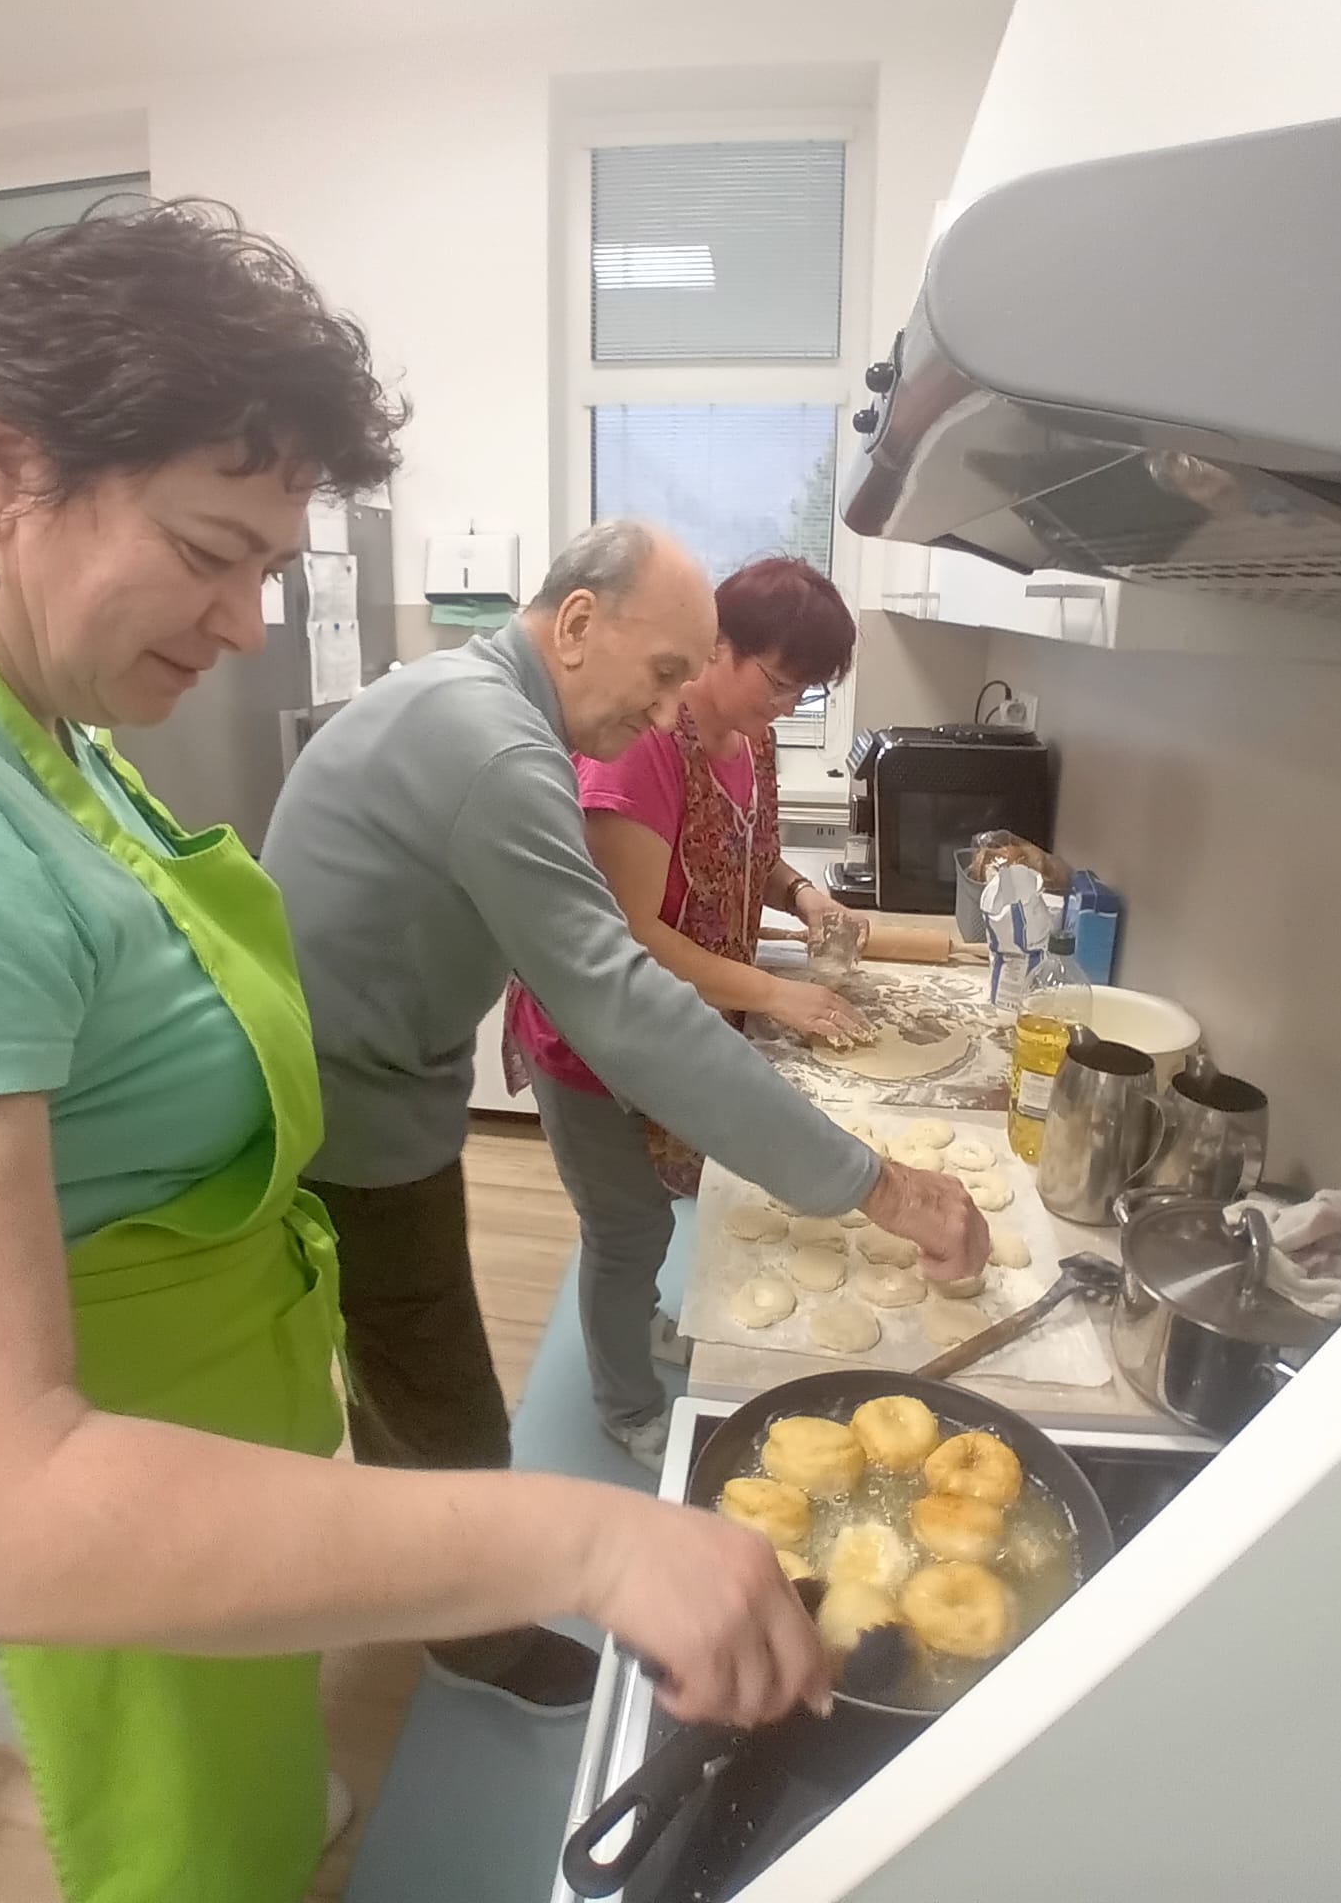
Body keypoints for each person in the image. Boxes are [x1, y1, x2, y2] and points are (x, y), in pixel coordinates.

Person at [0, 204, 841, 1903]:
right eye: (211, 550)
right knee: (170, 1833)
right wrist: (584, 1537)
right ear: (1, 463)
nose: (245, 623)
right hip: (129, 1465)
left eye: (269, 568)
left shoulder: (39, 707)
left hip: (219, 1396)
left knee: (245, 1760)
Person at [262, 524, 989, 1498]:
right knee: (443, 1419)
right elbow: (623, 998)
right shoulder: (497, 748)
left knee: (412, 1380)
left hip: (380, 1092)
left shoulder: (475, 702)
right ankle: (474, 1591)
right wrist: (881, 1187)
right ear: (575, 623)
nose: (666, 711)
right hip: (352, 1117)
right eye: (662, 673)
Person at [509, 554, 874, 1464]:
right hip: (592, 1040)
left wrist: (804, 896)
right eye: (777, 682)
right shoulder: (643, 753)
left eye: (804, 692)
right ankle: (625, 1405)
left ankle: (642, 1319)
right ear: (717, 647)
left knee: (653, 1214)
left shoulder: (751, 739)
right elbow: (631, 935)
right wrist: (779, 994)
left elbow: (750, 852)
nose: (786, 705)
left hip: (682, 1028)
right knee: (626, 1225)